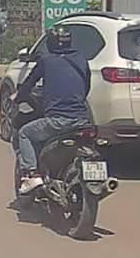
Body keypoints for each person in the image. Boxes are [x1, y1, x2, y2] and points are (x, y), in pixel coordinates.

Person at [12, 25, 92, 195]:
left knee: (25, 133)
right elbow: (86, 87)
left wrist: (18, 97)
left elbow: (28, 84)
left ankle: (32, 174)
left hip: (58, 121)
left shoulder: (46, 61)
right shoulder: (81, 60)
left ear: (50, 43)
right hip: (82, 120)